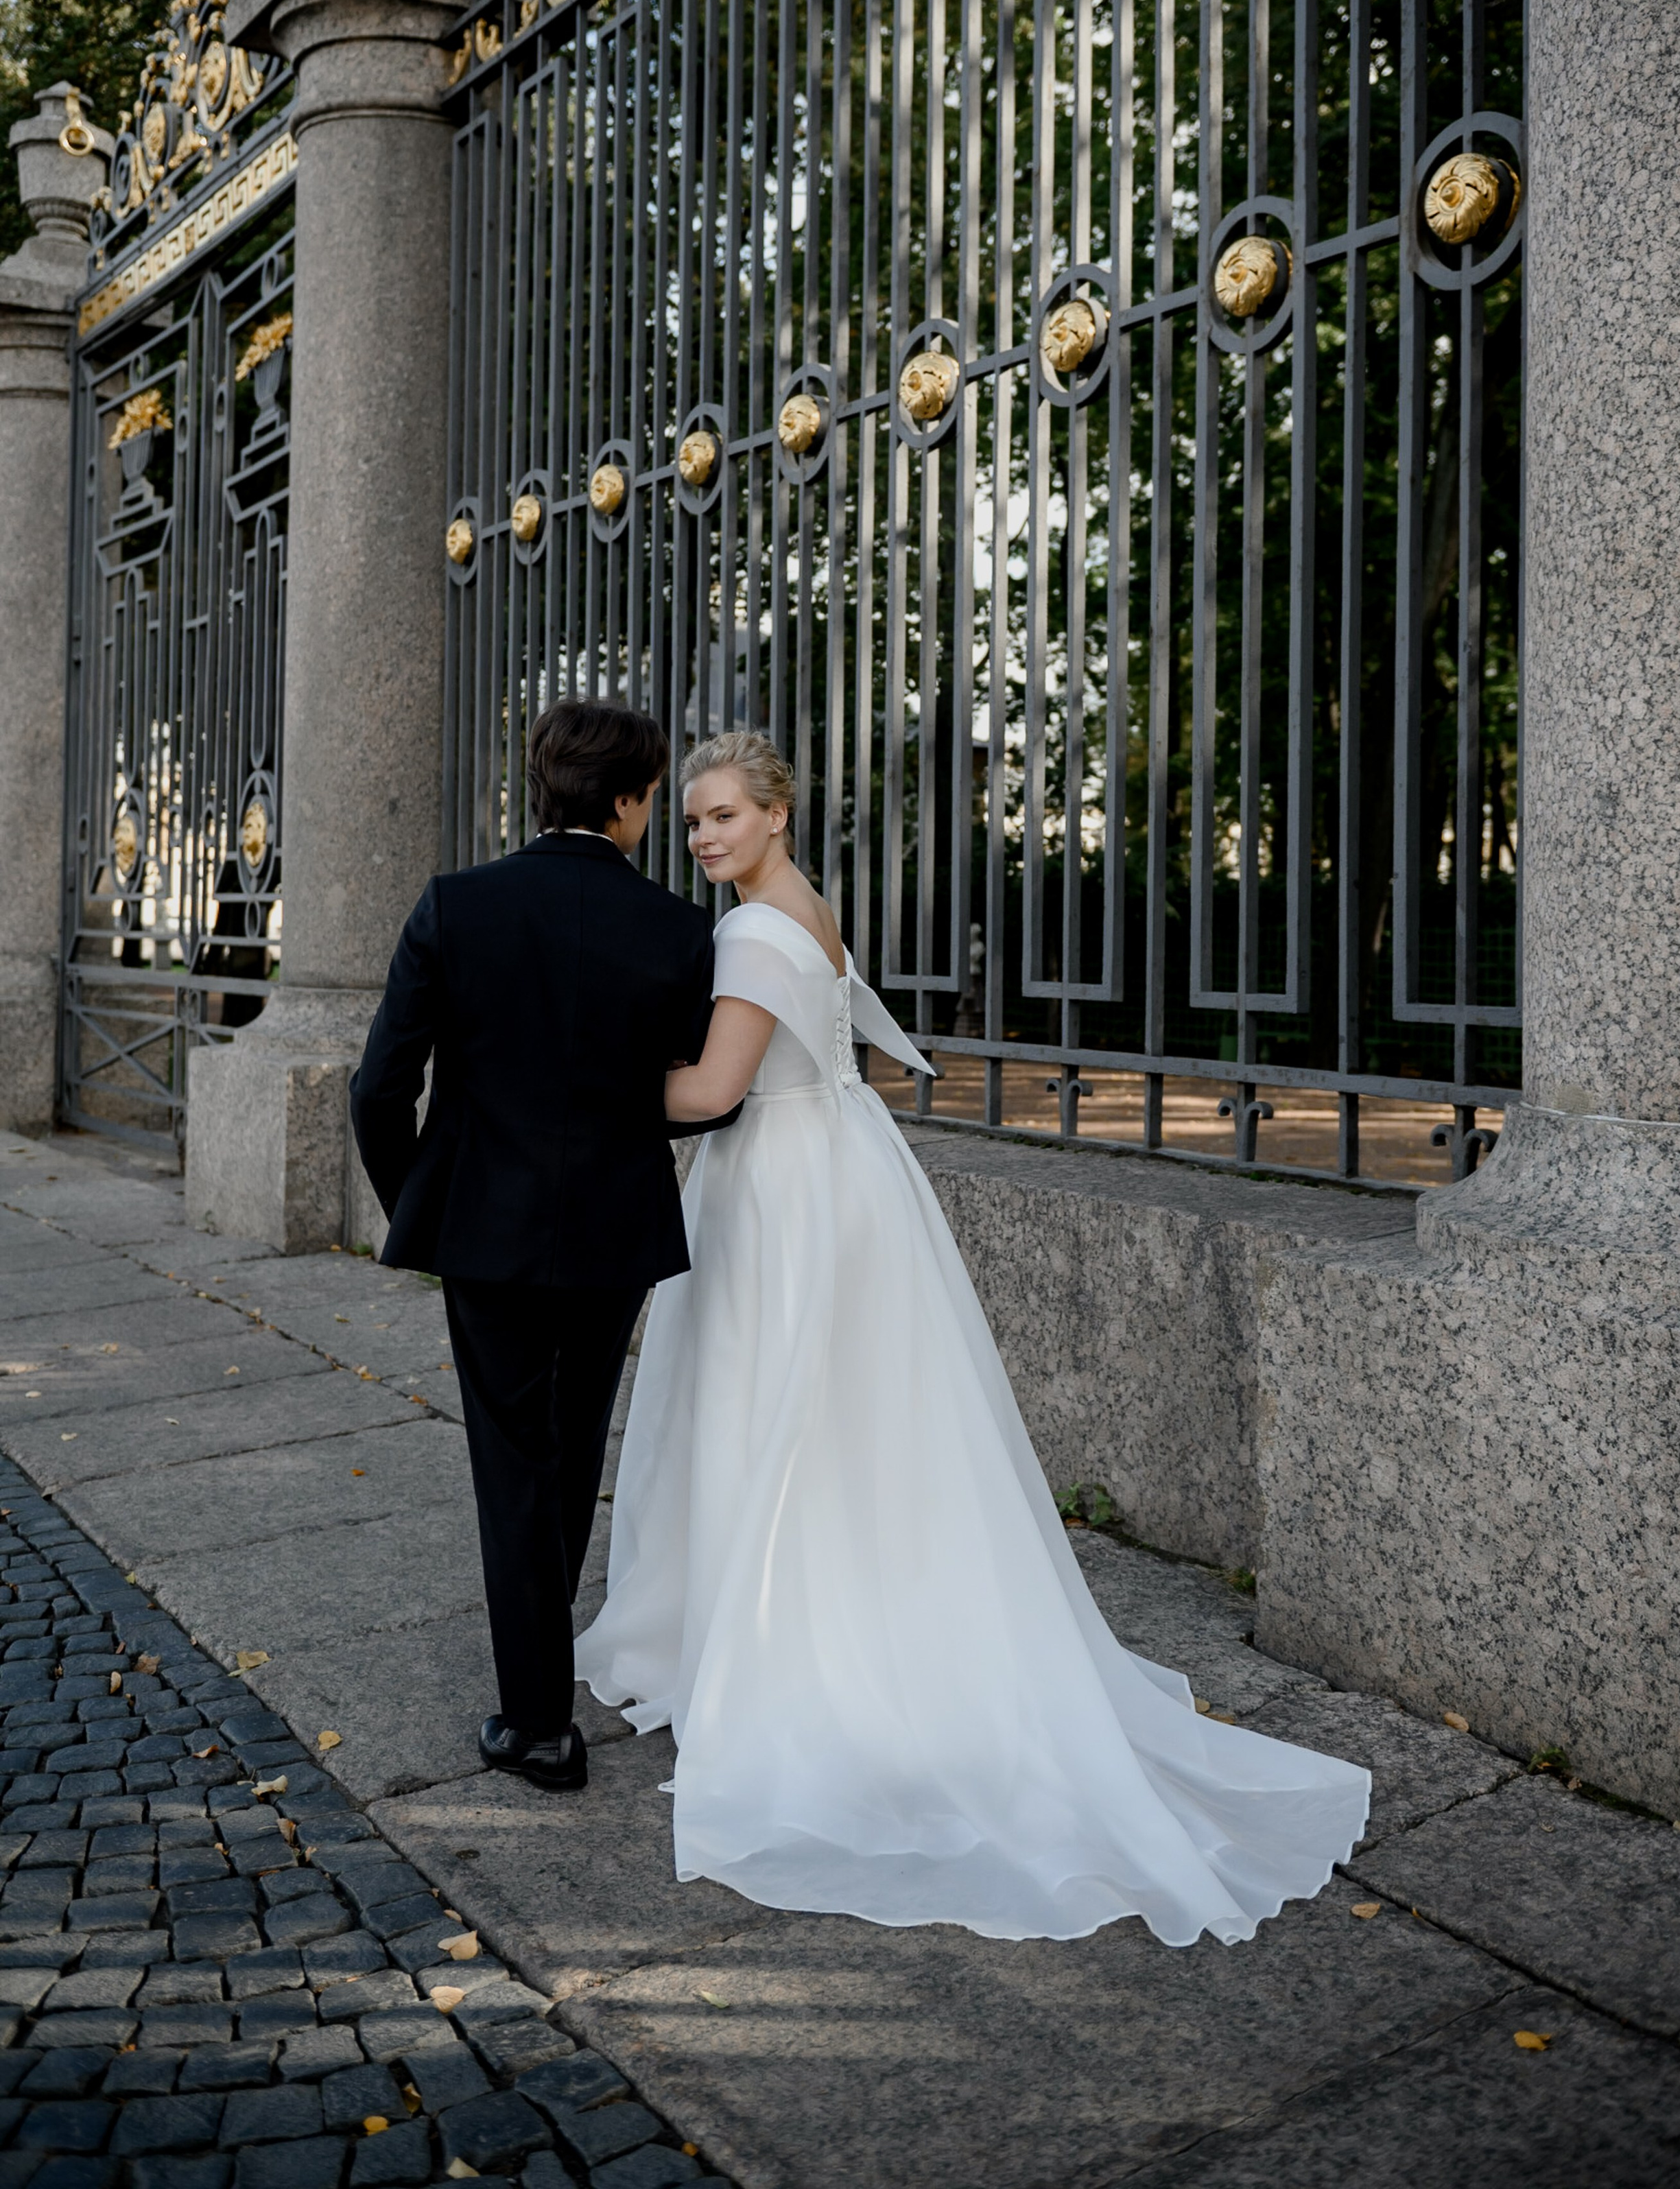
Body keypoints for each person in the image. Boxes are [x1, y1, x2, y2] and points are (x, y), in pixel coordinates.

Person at [575, 730, 1372, 1946]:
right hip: (846, 1170)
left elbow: (712, 1092)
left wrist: (586, 1071)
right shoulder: (809, 911)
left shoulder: (749, 934)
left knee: (766, 1402)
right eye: (691, 821)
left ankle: (784, 1634)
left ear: (777, 813)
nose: (702, 837)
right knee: (840, 1410)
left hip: (782, 1186)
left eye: (724, 815)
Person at [350, 698, 729, 1792]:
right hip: (614, 1228)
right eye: (655, 798)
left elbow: (380, 1089)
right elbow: (694, 1096)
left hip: (485, 1230)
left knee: (514, 1459)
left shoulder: (456, 905)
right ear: (629, 800)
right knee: (569, 1447)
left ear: (541, 789)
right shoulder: (676, 928)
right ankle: (540, 1679)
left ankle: (537, 1723)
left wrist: (425, 1209)